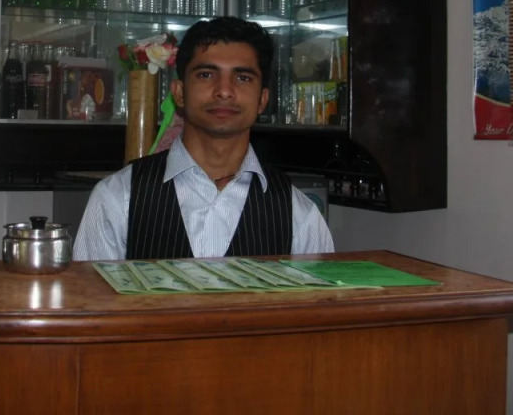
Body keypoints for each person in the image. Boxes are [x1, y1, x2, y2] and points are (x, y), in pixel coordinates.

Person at [73, 16, 333, 260]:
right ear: (179, 92)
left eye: (243, 78)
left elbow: (321, 295)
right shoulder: (118, 199)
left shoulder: (299, 214)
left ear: (262, 100)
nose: (224, 91)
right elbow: (89, 293)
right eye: (206, 75)